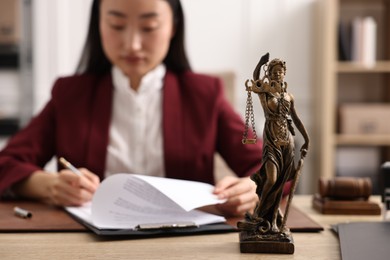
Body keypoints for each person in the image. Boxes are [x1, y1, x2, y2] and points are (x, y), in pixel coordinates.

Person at [0, 0, 263, 217]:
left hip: (186, 245)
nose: (132, 44)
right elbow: (6, 163)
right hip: (87, 246)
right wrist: (47, 186)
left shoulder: (204, 94)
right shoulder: (70, 94)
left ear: (173, 26)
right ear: (98, 25)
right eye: (117, 25)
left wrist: (252, 188)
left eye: (149, 27)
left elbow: (271, 165)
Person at [243, 56, 309, 233]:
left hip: (288, 141)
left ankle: (272, 218)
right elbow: (256, 79)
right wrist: (260, 63)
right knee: (271, 179)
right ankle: (259, 215)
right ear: (269, 74)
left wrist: (307, 138)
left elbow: (296, 119)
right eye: (274, 72)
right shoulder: (265, 92)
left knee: (281, 181)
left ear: (284, 74)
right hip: (271, 139)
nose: (278, 75)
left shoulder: (289, 96)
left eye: (280, 72)